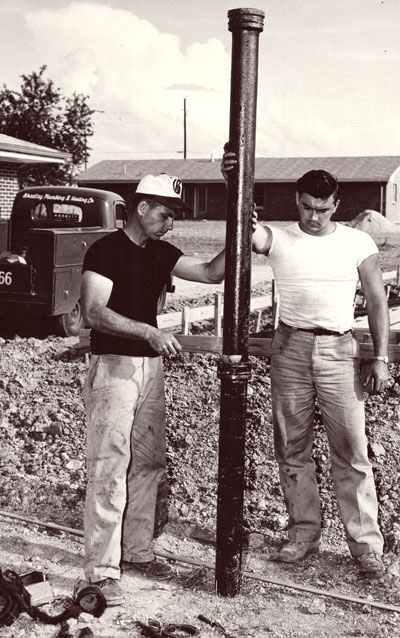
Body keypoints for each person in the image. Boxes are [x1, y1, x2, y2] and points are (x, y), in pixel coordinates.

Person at [223, 152, 389, 579]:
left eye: (322, 208)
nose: (314, 217)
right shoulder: (278, 239)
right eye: (306, 208)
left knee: (351, 451)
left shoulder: (357, 242)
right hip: (290, 348)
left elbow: (375, 300)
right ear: (296, 201)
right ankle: (303, 535)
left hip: (339, 351)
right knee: (291, 448)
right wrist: (232, 182)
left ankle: (366, 546)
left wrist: (381, 357)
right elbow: (245, 230)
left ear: (336, 205)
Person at [77, 174, 227, 606]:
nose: (170, 225)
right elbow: (92, 312)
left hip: (150, 369)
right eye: (165, 215)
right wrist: (147, 331)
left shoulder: (160, 252)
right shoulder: (105, 250)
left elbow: (210, 273)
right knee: (109, 465)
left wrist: (242, 233)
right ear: (142, 209)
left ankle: (137, 552)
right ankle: (102, 571)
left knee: (147, 462)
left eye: (174, 217)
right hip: (114, 369)